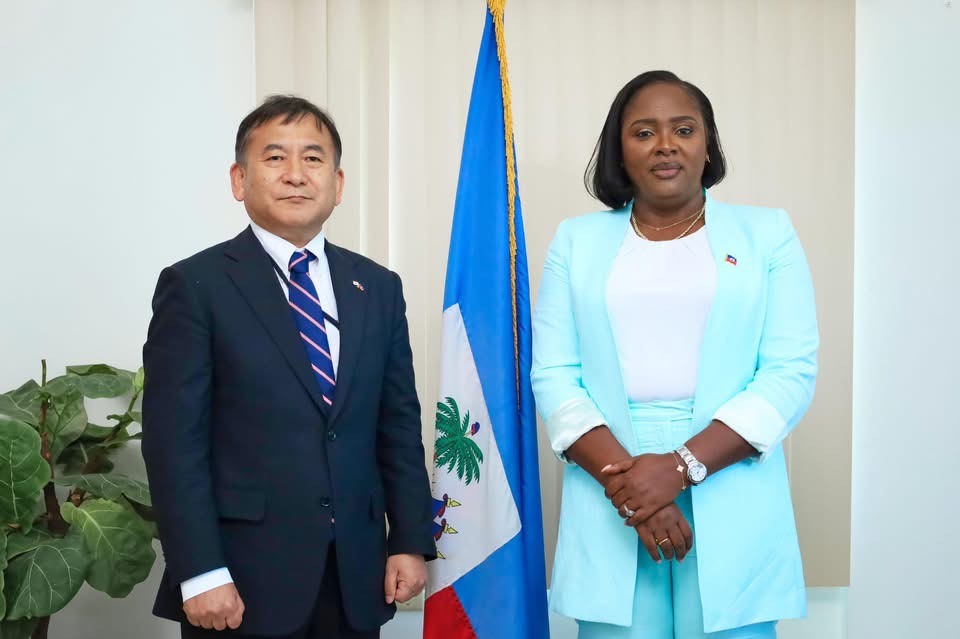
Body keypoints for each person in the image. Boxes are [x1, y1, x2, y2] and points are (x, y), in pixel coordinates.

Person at [530, 70, 818, 639]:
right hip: (610, 471)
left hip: (729, 469)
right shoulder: (575, 242)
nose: (665, 144)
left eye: (683, 129)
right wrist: (636, 489)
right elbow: (556, 376)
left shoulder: (768, 235)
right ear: (620, 150)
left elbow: (789, 372)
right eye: (643, 132)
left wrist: (680, 468)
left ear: (706, 143)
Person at [142, 95, 436, 639]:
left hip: (355, 574)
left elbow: (396, 424)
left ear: (338, 183)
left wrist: (409, 541)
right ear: (239, 179)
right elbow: (173, 444)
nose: (296, 175)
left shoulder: (377, 287)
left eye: (314, 159)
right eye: (275, 158)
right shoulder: (196, 286)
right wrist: (200, 571)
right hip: (241, 579)